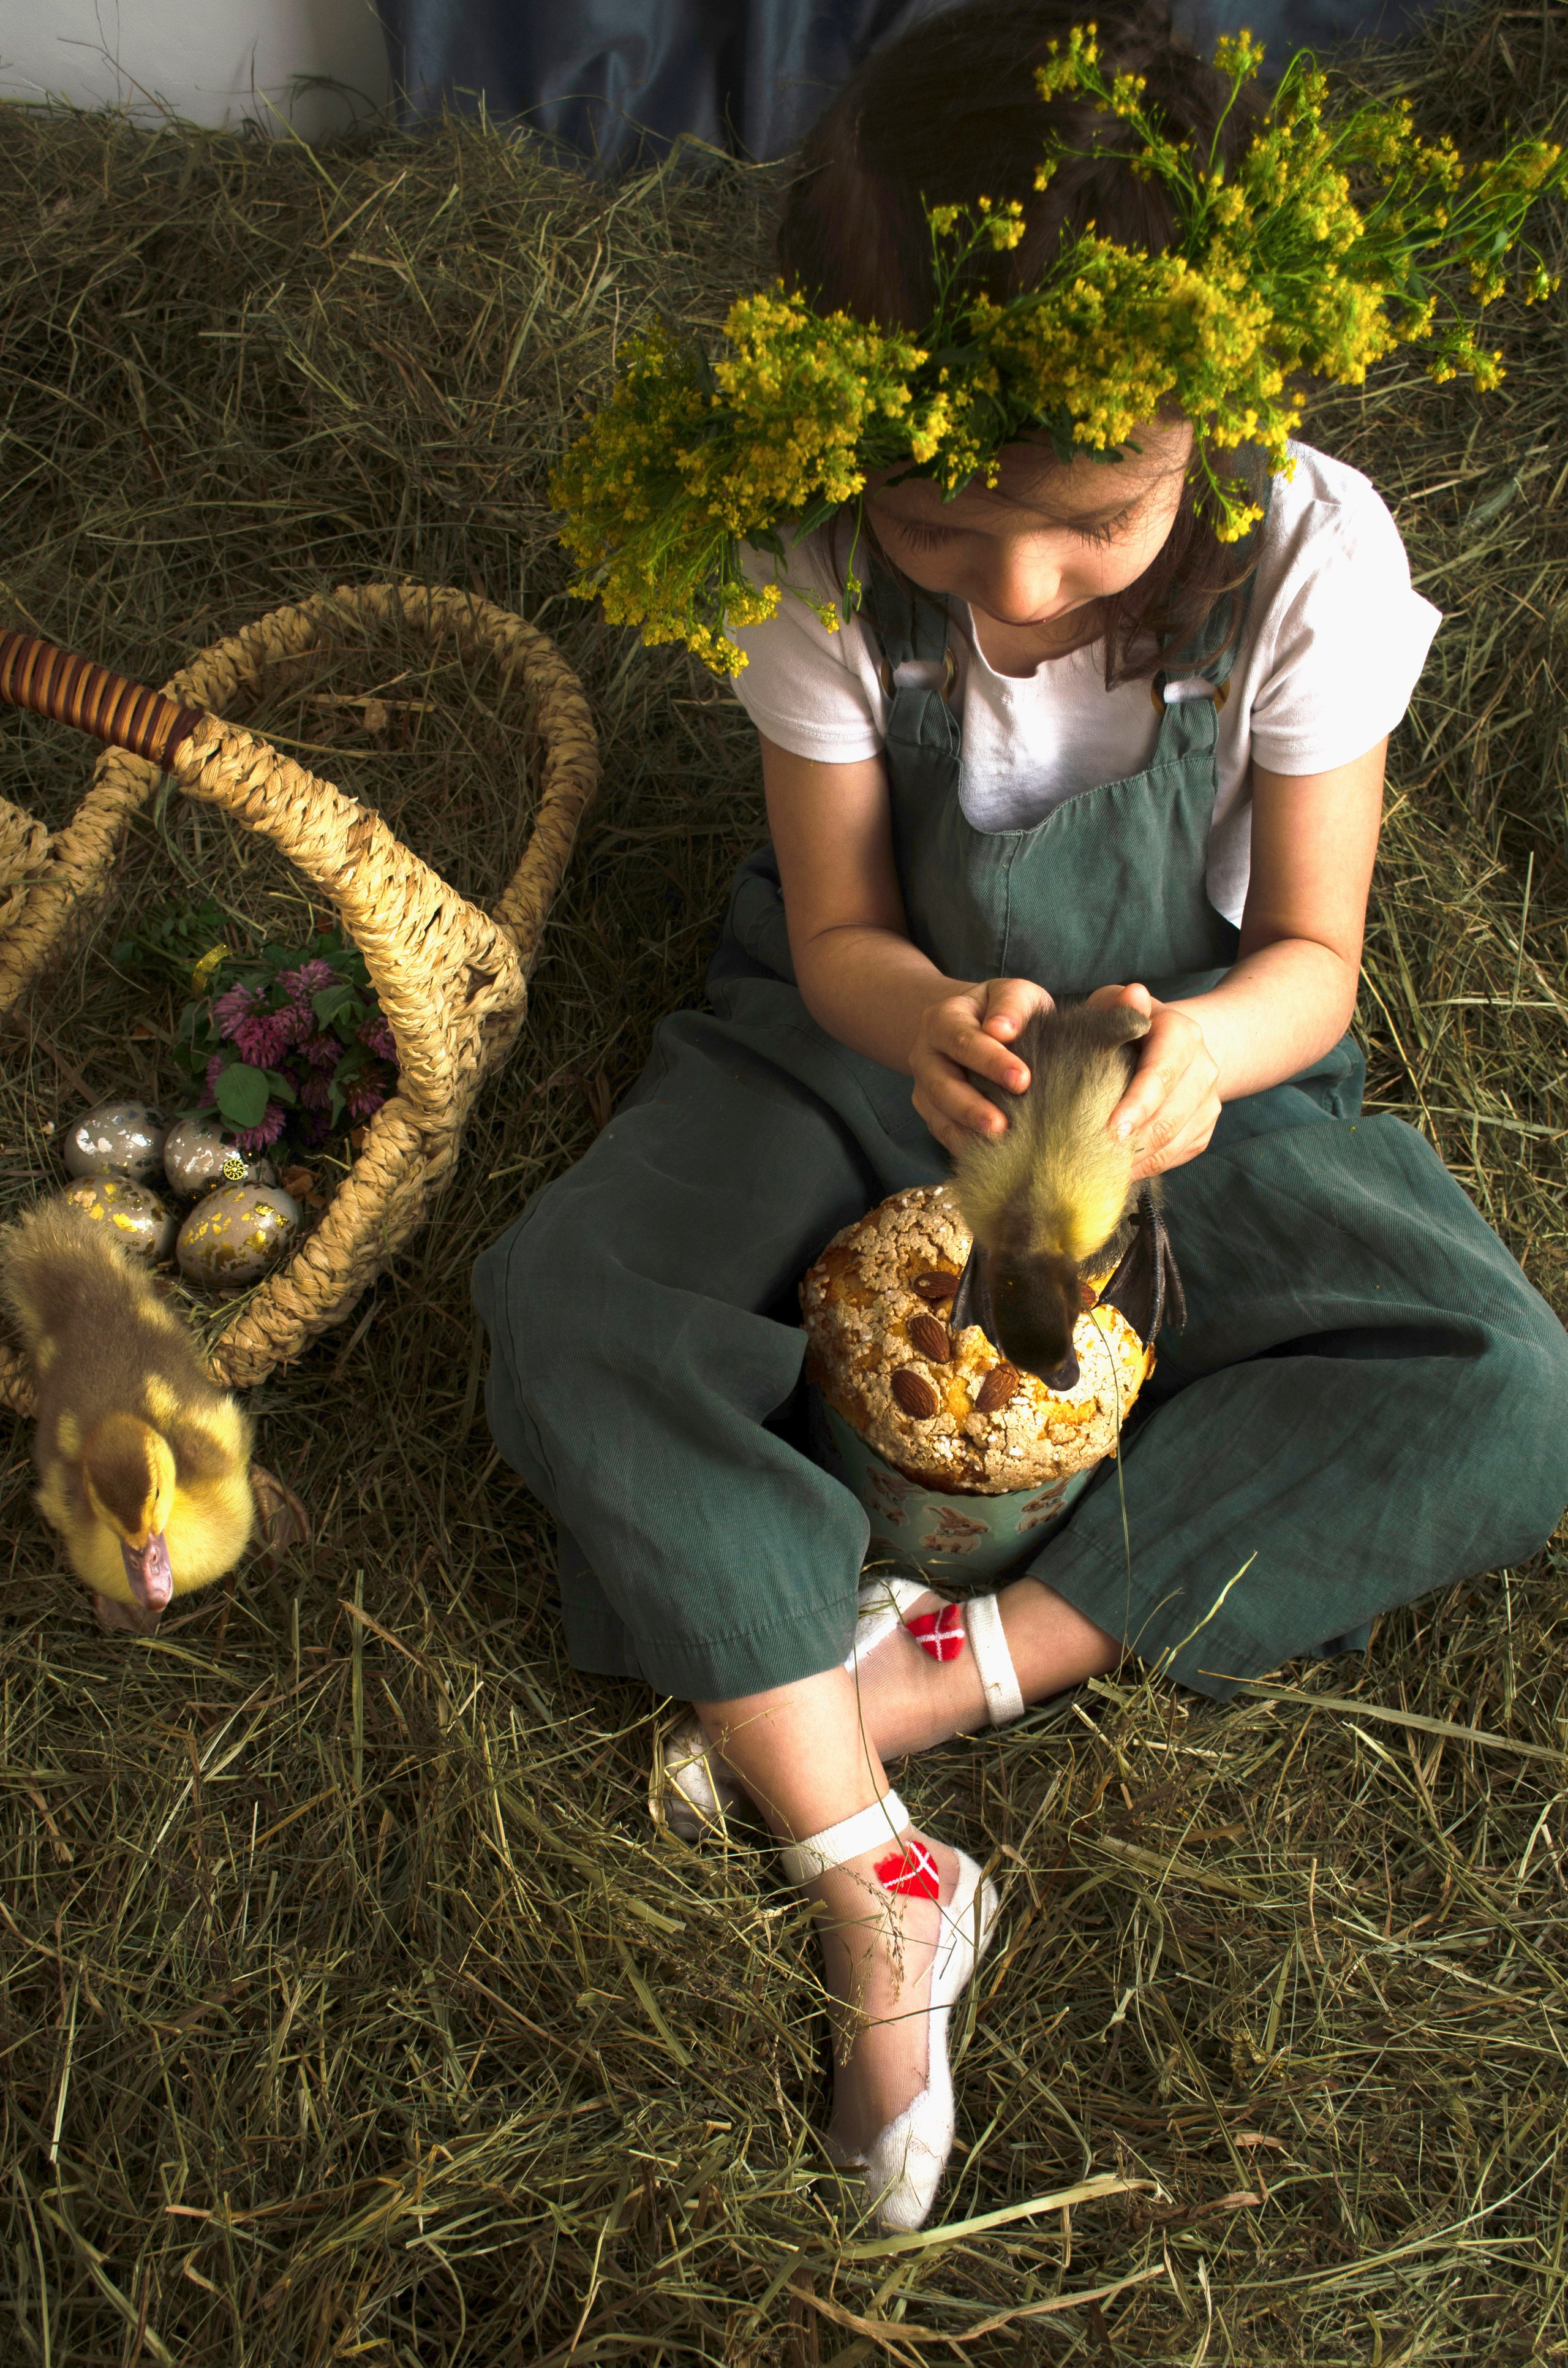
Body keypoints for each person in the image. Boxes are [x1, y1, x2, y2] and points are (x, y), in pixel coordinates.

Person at [474, 0, 1568, 2229]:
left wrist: (1185, 1058)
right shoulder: (806, 551)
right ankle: (873, 1872)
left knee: (1514, 1389)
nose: (1027, 584)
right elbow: (845, 923)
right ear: (849, 428)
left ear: (1221, 418)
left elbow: (1317, 971)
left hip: (1198, 1089)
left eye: (1096, 520)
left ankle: (927, 1674)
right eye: (951, 532)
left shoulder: (1303, 552)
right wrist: (914, 1024)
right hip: (864, 1048)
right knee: (567, 1300)